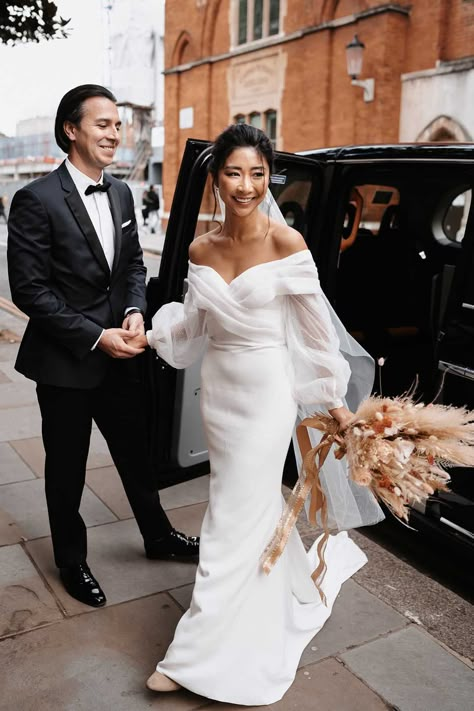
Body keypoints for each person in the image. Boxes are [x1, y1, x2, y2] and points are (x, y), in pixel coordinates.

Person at [131, 124, 383, 705]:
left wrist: (336, 407)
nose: (246, 185)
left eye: (258, 173)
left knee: (227, 516)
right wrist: (149, 332)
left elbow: (318, 338)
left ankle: (192, 655)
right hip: (220, 395)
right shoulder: (200, 249)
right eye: (234, 172)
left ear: (269, 178)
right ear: (215, 178)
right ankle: (273, 593)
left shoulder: (288, 244)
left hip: (270, 394)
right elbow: (193, 327)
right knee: (244, 505)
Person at [7, 84, 199, 610]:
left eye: (119, 125)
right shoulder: (35, 198)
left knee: (137, 456)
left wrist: (135, 310)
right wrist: (96, 336)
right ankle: (72, 562)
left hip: (124, 355)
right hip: (67, 363)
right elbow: (29, 290)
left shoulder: (121, 194)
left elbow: (134, 266)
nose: (116, 133)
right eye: (104, 124)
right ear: (72, 129)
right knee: (66, 469)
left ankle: (158, 537)